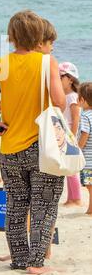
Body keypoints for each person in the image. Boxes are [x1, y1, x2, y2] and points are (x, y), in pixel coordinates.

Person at [0, 10, 66, 275]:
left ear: (12, 36)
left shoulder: (3, 63)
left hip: (10, 146)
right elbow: (59, 101)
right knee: (44, 205)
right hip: (41, 145)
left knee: (16, 205)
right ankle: (36, 263)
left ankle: (19, 259)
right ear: (38, 35)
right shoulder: (47, 62)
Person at [58, 62, 82, 206]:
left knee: (72, 168)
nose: (58, 79)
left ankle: (77, 198)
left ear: (70, 79)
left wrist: (72, 137)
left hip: (70, 135)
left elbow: (75, 119)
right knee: (67, 167)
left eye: (61, 77)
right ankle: (70, 198)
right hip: (62, 134)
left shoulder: (73, 97)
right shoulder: (62, 96)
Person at [78, 82, 92, 215]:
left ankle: (91, 209)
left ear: (82, 100)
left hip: (88, 158)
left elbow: (84, 134)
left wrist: (78, 148)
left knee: (89, 185)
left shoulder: (85, 116)